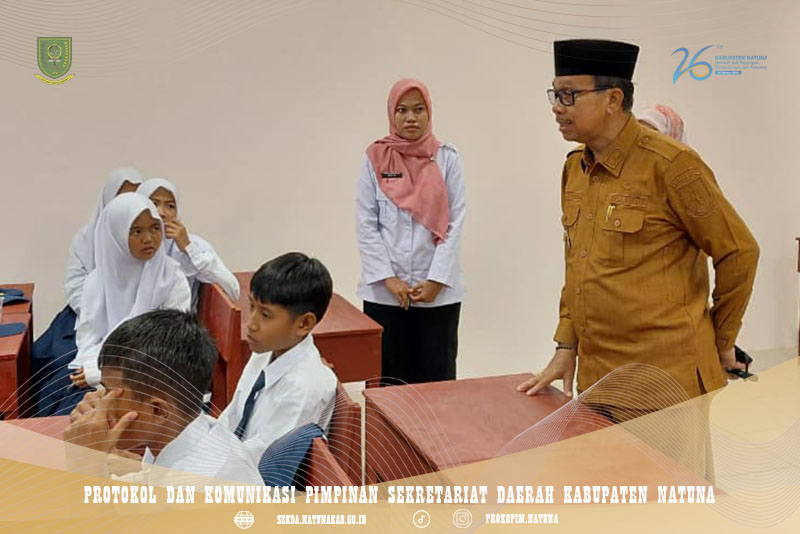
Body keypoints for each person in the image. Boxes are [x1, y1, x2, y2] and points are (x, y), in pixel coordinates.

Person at [518, 39, 759, 407]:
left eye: (568, 95)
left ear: (613, 99)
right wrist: (566, 346)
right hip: (598, 379)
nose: (556, 107)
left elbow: (739, 252)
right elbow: (577, 265)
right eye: (555, 94)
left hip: (667, 382)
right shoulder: (575, 168)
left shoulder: (672, 165)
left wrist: (721, 340)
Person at [64, 310, 263, 485]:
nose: (101, 403)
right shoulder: (176, 435)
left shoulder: (203, 480)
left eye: (111, 393)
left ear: (158, 410)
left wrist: (85, 465)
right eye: (104, 390)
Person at [38, 193, 191, 416]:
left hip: (149, 376)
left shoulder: (172, 280)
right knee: (51, 396)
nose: (148, 238)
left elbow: (166, 347)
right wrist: (93, 366)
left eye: (155, 228)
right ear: (115, 235)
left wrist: (104, 374)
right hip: (99, 367)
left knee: (80, 417)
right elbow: (88, 336)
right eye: (136, 231)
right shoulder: (98, 280)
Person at [356, 78, 466, 386]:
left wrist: (436, 280)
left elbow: (455, 223)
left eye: (419, 109)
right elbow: (366, 224)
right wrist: (389, 279)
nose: (411, 118)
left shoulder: (447, 158)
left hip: (438, 296)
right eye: (402, 110)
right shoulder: (374, 158)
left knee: (437, 386)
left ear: (429, 112)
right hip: (385, 295)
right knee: (388, 385)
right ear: (392, 113)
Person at [31, 167, 143, 408]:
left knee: (66, 372)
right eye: (121, 197)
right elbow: (75, 286)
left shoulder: (145, 247)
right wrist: (96, 309)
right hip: (81, 314)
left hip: (120, 329)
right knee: (40, 355)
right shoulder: (85, 238)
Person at [215, 252, 337, 459]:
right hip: (232, 462)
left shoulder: (304, 388)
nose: (251, 324)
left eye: (265, 315)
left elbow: (262, 460)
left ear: (304, 323)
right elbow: (232, 416)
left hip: (253, 475)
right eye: (251, 306)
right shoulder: (266, 352)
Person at [137, 177, 240, 307]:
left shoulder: (193, 245)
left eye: (170, 206)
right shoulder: (126, 245)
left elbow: (233, 290)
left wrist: (189, 249)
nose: (161, 213)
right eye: (154, 204)